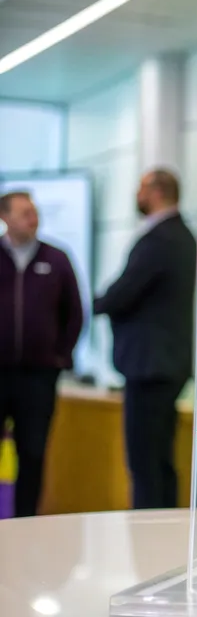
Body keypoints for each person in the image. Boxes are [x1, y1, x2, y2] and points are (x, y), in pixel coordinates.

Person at [94, 169, 196, 510]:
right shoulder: (181, 236)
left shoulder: (161, 239)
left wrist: (94, 304)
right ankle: (165, 532)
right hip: (168, 362)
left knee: (145, 461)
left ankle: (148, 536)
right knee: (160, 458)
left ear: (155, 192)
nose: (136, 195)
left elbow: (123, 292)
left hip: (150, 364)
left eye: (140, 188)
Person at [0, 190, 84, 517]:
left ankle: (25, 522)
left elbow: (74, 314)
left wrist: (59, 357)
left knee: (33, 453)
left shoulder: (57, 259)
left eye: (33, 212)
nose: (32, 219)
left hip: (38, 378)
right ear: (5, 217)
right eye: (23, 213)